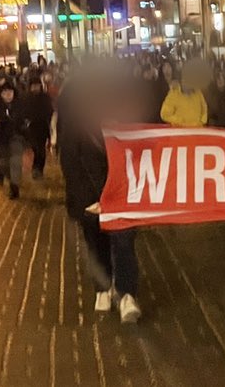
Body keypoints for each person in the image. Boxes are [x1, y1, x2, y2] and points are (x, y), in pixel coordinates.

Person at [57, 66, 141, 323]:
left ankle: (127, 293)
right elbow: (70, 162)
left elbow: (141, 154)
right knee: (96, 243)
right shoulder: (75, 123)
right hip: (91, 195)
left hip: (123, 193)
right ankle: (103, 288)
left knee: (124, 243)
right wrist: (88, 198)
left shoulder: (126, 120)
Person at [0, 83, 26, 199]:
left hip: (16, 136)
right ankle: (12, 178)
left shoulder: (20, 105)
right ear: (0, 94)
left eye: (10, 92)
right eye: (5, 92)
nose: (8, 95)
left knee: (15, 161)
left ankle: (14, 187)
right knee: (2, 163)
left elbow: (25, 118)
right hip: (0, 138)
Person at [22, 78, 54, 179]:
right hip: (31, 128)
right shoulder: (26, 98)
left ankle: (39, 169)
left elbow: (50, 111)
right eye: (33, 86)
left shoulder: (45, 97)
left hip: (43, 127)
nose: (35, 88)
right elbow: (23, 112)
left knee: (41, 150)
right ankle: (36, 168)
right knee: (36, 149)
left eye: (37, 85)